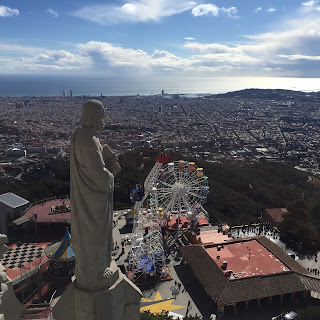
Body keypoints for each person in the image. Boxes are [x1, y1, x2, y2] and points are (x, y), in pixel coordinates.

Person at [70, 99, 121, 291]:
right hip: (94, 200)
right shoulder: (89, 139)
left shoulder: (79, 135)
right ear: (93, 116)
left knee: (89, 234)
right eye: (101, 114)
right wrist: (113, 169)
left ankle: (91, 270)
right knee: (96, 233)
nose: (104, 118)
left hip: (86, 195)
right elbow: (100, 176)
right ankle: (97, 273)